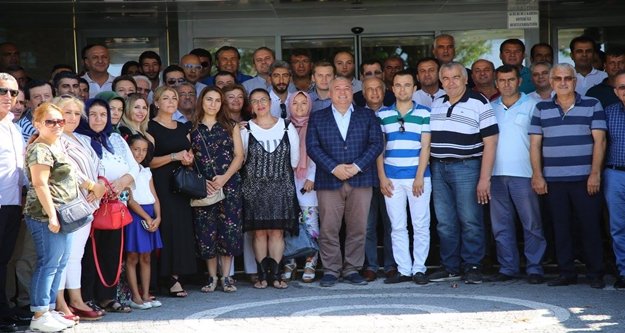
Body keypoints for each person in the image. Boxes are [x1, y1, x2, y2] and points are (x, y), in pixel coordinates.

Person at [529, 63, 606, 289]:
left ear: (575, 81)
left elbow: (599, 141)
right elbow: (535, 145)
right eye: (558, 78)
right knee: (560, 227)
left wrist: (595, 174)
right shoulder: (541, 108)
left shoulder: (592, 104)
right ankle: (566, 273)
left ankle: (595, 273)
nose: (563, 82)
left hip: (585, 178)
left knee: (590, 226)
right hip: (553, 180)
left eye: (568, 78)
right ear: (551, 82)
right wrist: (537, 175)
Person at [307, 77, 384, 287]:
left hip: (361, 179)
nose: (342, 92)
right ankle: (331, 270)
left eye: (346, 88)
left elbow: (376, 143)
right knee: (329, 228)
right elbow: (312, 147)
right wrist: (334, 168)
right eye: (337, 89)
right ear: (330, 93)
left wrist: (356, 166)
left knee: (358, 228)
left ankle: (352, 269)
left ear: (353, 92)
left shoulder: (367, 115)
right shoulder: (317, 117)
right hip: (328, 179)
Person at [428, 62, 499, 284]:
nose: (451, 82)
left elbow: (491, 141)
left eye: (456, 77)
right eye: (446, 78)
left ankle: (473, 265)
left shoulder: (479, 102)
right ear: (441, 81)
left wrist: (484, 178)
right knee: (445, 221)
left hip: (467, 167)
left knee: (470, 219)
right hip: (438, 167)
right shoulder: (437, 103)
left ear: (465, 79)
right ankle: (450, 267)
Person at [76, 98, 139, 313]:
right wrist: (100, 185)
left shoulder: (116, 139)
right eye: (92, 114)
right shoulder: (77, 139)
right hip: (91, 203)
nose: (98, 119)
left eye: (103, 114)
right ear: (85, 116)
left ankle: (107, 297)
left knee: (112, 251)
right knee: (89, 253)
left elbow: (133, 167)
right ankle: (87, 297)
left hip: (115, 203)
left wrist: (122, 182)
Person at [23, 103, 78, 331]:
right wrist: (52, 216)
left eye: (60, 121)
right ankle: (39, 313)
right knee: (48, 264)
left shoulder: (56, 145)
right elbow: (39, 183)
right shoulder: (40, 149)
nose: (57, 125)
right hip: (44, 216)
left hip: (61, 214)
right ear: (37, 124)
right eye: (50, 121)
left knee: (59, 263)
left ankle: (50, 310)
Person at [489, 65, 546, 284]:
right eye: (502, 80)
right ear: (496, 83)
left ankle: (534, 267)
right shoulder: (490, 107)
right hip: (495, 175)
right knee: (501, 225)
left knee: (531, 223)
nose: (506, 84)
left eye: (511, 80)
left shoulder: (534, 105)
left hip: (525, 174)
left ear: (519, 81)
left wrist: (538, 173)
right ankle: (508, 267)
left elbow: (540, 144)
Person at [51, 95, 106, 321]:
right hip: (68, 205)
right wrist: (92, 185)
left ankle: (77, 300)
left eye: (76, 113)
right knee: (62, 256)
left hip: (88, 205)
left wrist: (101, 183)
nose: (72, 118)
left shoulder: (82, 138)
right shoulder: (55, 138)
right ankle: (60, 303)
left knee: (76, 255)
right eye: (67, 112)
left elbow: (98, 163)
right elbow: (66, 169)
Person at [241, 88, 300, 289]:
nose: (260, 104)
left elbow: (295, 160)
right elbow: (241, 160)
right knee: (258, 233)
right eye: (255, 101)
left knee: (276, 233)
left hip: (281, 186)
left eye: (263, 99)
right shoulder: (245, 128)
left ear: (270, 102)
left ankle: (276, 275)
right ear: (251, 106)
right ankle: (261, 275)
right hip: (253, 188)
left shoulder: (286, 126)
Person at [377, 70, 432, 285]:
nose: (402, 89)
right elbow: (379, 149)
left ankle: (419, 269)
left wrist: (419, 176)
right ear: (392, 88)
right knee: (397, 225)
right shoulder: (382, 114)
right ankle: (404, 270)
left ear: (414, 88)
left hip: (418, 178)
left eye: (407, 85)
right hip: (392, 178)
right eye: (398, 85)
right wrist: (382, 177)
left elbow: (425, 146)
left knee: (420, 224)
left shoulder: (424, 113)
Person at [191, 87, 244, 293]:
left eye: (217, 101)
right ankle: (211, 277)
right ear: (202, 101)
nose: (213, 104)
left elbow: (239, 156)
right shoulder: (192, 127)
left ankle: (227, 277)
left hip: (229, 184)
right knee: (206, 231)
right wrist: (203, 182)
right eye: (209, 99)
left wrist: (224, 178)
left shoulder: (231, 125)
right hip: (203, 186)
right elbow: (189, 158)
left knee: (229, 230)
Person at [147, 86, 197, 297]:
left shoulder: (183, 127)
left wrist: (188, 159)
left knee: (182, 229)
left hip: (182, 185)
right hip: (161, 184)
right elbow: (148, 161)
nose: (171, 101)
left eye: (174, 98)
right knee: (166, 228)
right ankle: (164, 278)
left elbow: (191, 154)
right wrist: (174, 157)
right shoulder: (150, 127)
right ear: (156, 103)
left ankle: (178, 275)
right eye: (165, 98)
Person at [360, 77, 396, 282]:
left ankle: (391, 264)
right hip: (364, 178)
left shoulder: (393, 114)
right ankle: (371, 265)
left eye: (378, 89)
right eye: (369, 90)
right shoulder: (357, 115)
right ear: (363, 93)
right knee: (367, 225)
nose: (374, 93)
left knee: (392, 223)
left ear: (384, 92)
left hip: (390, 177)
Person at [284, 91, 319, 283]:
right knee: (289, 223)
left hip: (309, 182)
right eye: (295, 103)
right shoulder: (283, 125)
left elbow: (317, 153)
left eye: (303, 103)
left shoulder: (315, 125)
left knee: (310, 223)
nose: (299, 107)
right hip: (288, 181)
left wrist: (312, 177)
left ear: (310, 105)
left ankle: (310, 261)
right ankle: (290, 261)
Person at [124, 134, 163, 310]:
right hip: (136, 215)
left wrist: (158, 217)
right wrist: (147, 217)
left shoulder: (146, 171)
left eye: (144, 150)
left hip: (150, 215)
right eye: (136, 149)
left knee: (146, 256)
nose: (140, 153)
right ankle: (135, 296)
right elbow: (130, 200)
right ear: (129, 149)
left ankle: (146, 294)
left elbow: (154, 197)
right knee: (132, 257)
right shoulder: (125, 172)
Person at [0, 73, 24, 333]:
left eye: (13, 92)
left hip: (13, 202)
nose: (8, 96)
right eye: (2, 91)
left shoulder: (13, 126)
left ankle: (4, 310)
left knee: (4, 260)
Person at [604, 70, 625, 289]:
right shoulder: (609, 113)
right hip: (615, 174)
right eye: (621, 87)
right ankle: (624, 272)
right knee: (618, 227)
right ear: (616, 91)